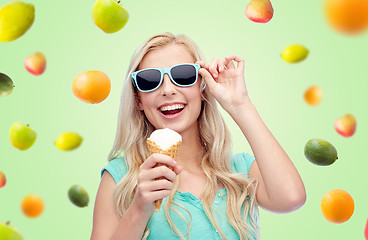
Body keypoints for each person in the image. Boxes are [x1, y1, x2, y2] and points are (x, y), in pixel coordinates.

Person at [90, 32, 306, 240]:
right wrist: (139, 208)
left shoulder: (239, 170)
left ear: (203, 88)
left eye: (182, 75)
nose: (167, 90)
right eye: (149, 80)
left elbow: (291, 198)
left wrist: (240, 105)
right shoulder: (121, 177)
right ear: (138, 100)